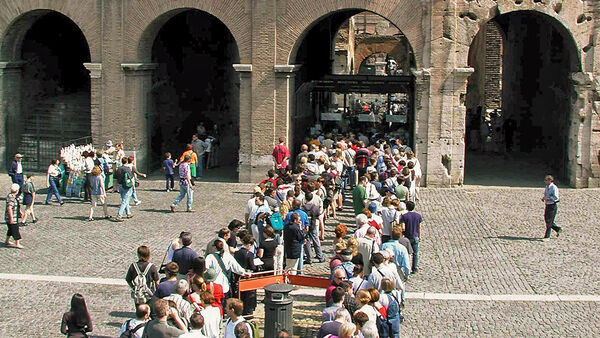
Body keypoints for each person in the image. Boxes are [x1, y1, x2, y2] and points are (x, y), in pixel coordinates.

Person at [233, 234, 259, 315]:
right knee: (249, 295)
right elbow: (252, 267)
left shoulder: (237, 252)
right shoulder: (249, 254)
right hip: (247, 276)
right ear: (249, 244)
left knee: (241, 295)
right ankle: (248, 311)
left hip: (238, 276)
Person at [400, 201, 423, 273]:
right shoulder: (418, 216)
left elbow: (403, 227)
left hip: (407, 236)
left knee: (407, 253)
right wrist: (419, 236)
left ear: (406, 207)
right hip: (415, 236)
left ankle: (407, 267)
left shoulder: (404, 216)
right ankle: (414, 268)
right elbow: (419, 227)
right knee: (415, 253)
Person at [114, 157, 134, 222]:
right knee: (125, 201)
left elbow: (115, 178)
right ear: (127, 162)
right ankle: (119, 215)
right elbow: (131, 177)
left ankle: (128, 213)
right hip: (126, 185)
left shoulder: (118, 169)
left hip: (120, 185)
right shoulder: (127, 169)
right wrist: (133, 186)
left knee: (125, 200)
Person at [542, 175, 563, 239]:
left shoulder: (554, 187)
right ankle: (557, 229)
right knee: (546, 219)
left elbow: (556, 198)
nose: (544, 181)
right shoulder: (547, 187)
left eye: (546, 180)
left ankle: (547, 236)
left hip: (552, 205)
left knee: (549, 221)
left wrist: (548, 198)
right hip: (548, 205)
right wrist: (544, 198)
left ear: (550, 180)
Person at [4, 183, 23, 249]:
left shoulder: (10, 196)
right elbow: (9, 208)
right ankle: (17, 243)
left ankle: (7, 240)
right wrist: (11, 218)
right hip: (12, 218)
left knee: (10, 229)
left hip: (10, 217)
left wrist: (19, 211)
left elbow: (16, 206)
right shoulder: (12, 198)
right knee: (15, 230)